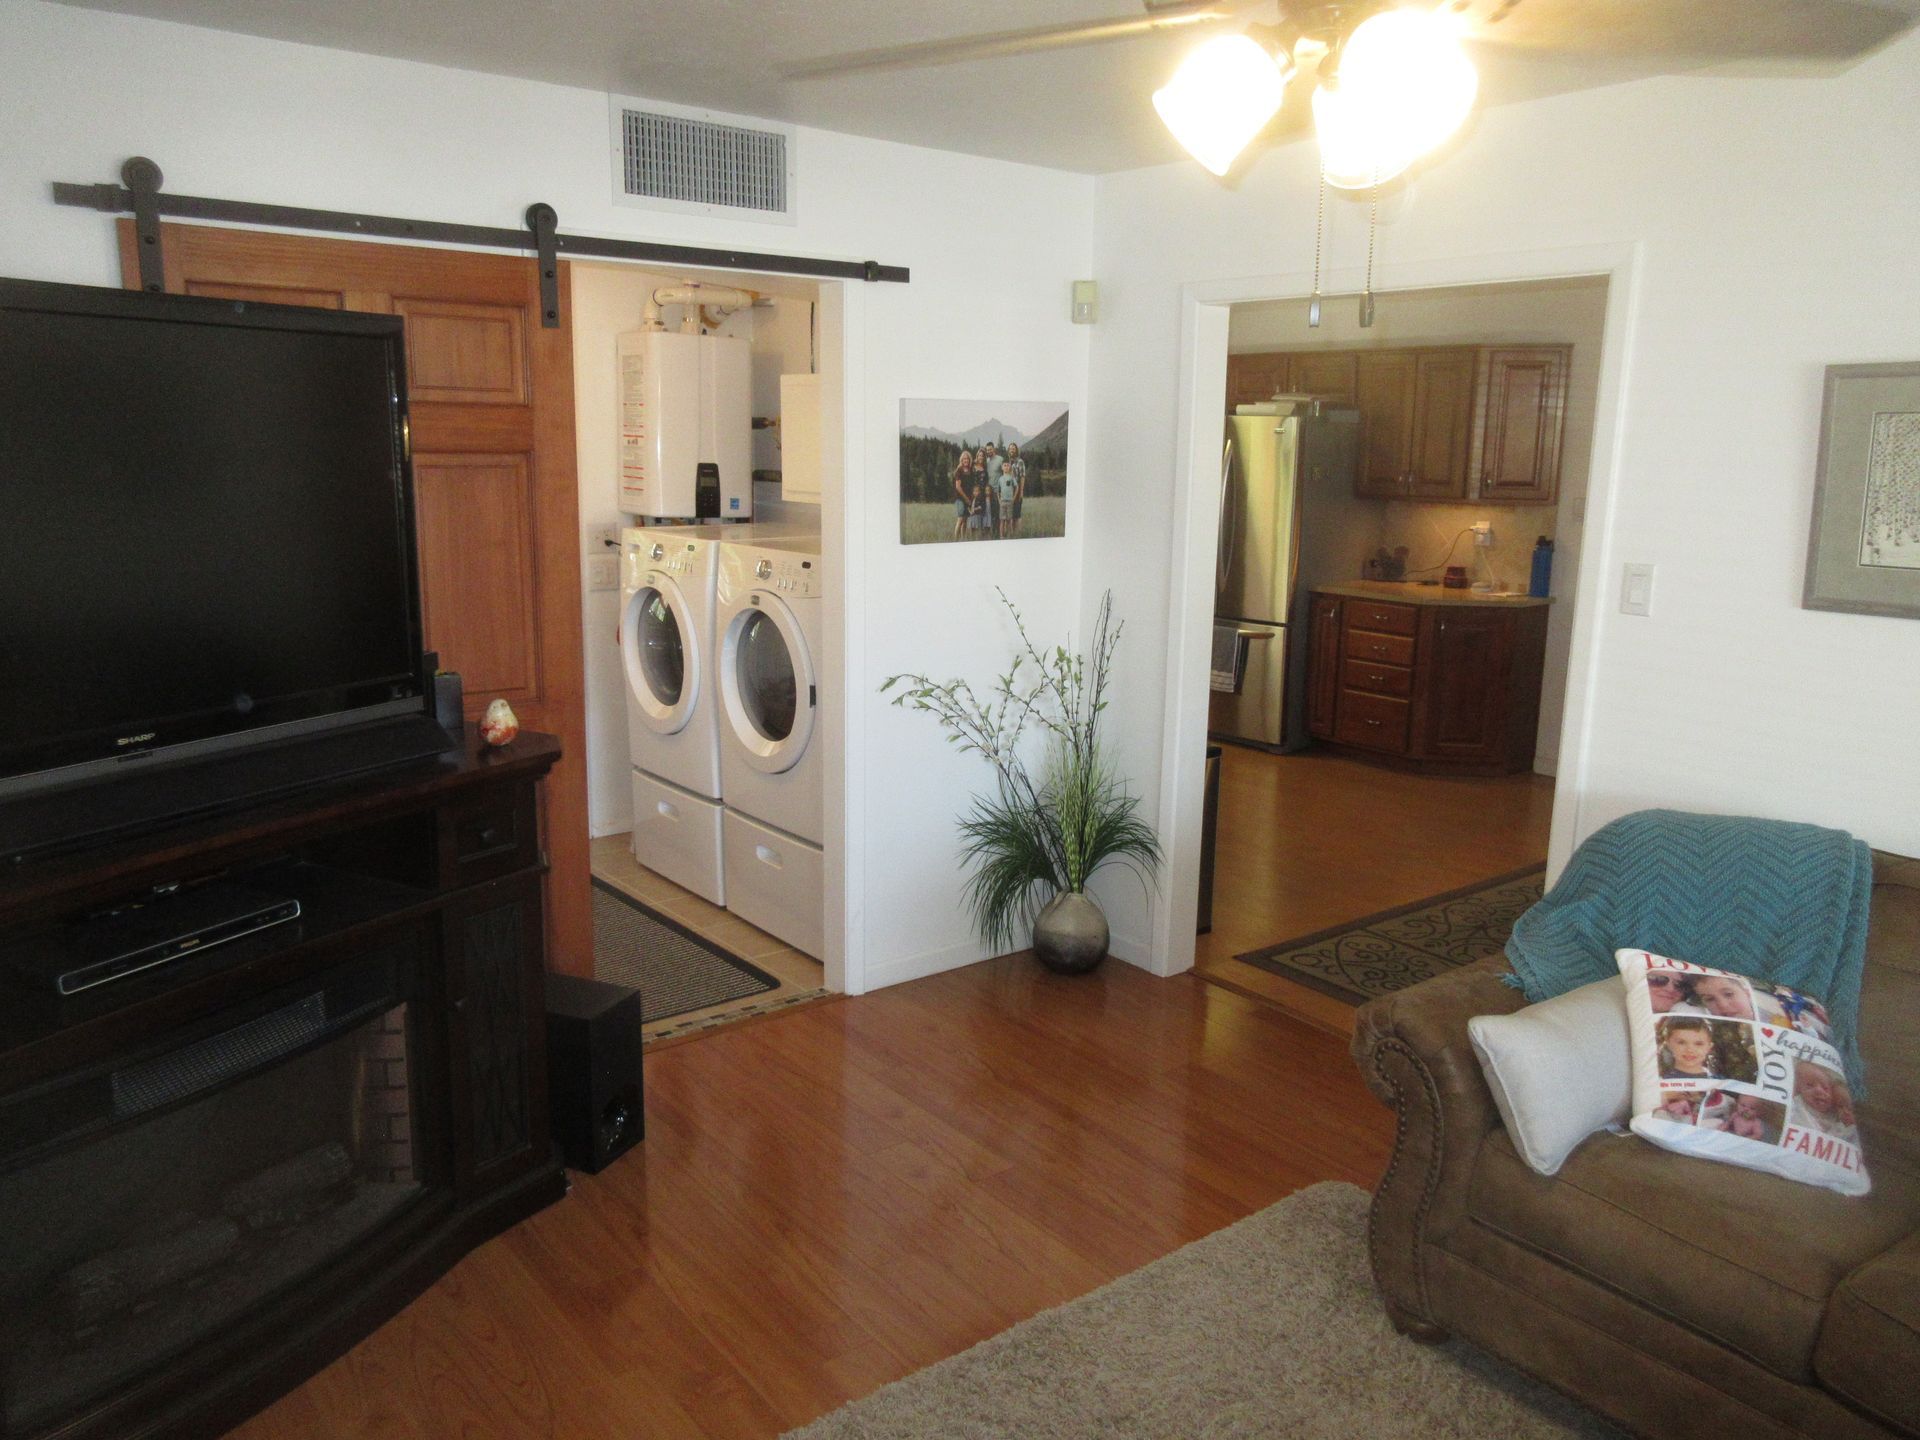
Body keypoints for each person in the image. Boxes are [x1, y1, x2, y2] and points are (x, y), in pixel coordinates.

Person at [1000, 442, 1027, 539]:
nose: (1012, 450)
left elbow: (1022, 477)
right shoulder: (1008, 462)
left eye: (1013, 448)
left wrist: (1021, 491)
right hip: (1008, 492)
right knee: (1009, 515)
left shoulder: (1020, 461)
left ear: (1016, 450)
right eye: (1010, 448)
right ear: (1008, 450)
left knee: (1017, 514)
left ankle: (1018, 535)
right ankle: (1010, 535)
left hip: (1017, 490)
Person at [950, 450, 975, 542]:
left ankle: (963, 540)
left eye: (967, 459)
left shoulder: (970, 470)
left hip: (968, 498)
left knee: (965, 520)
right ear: (961, 460)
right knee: (960, 519)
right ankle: (955, 541)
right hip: (960, 498)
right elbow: (958, 487)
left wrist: (970, 499)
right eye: (964, 459)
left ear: (969, 460)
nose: (966, 460)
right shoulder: (959, 471)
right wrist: (966, 499)